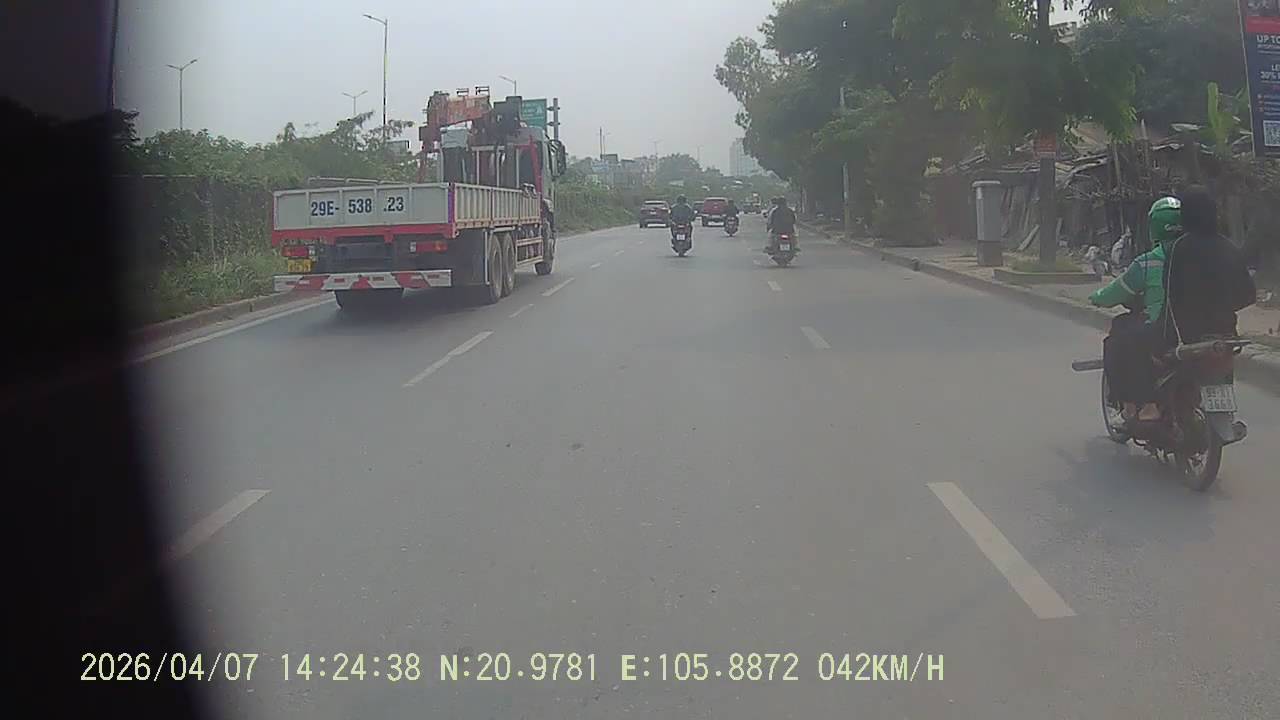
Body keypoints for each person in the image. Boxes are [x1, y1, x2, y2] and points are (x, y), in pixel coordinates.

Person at [1089, 196, 1181, 424]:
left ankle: (1134, 405)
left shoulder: (1148, 262)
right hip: (1199, 327)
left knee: (1118, 340)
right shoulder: (1199, 256)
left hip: (1162, 328)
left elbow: (1115, 293)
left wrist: (1096, 297)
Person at [1158, 185, 1256, 348]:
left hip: (1187, 336)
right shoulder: (1228, 246)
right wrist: (1222, 308)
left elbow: (1170, 293)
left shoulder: (1178, 248)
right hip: (1226, 333)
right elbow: (1248, 295)